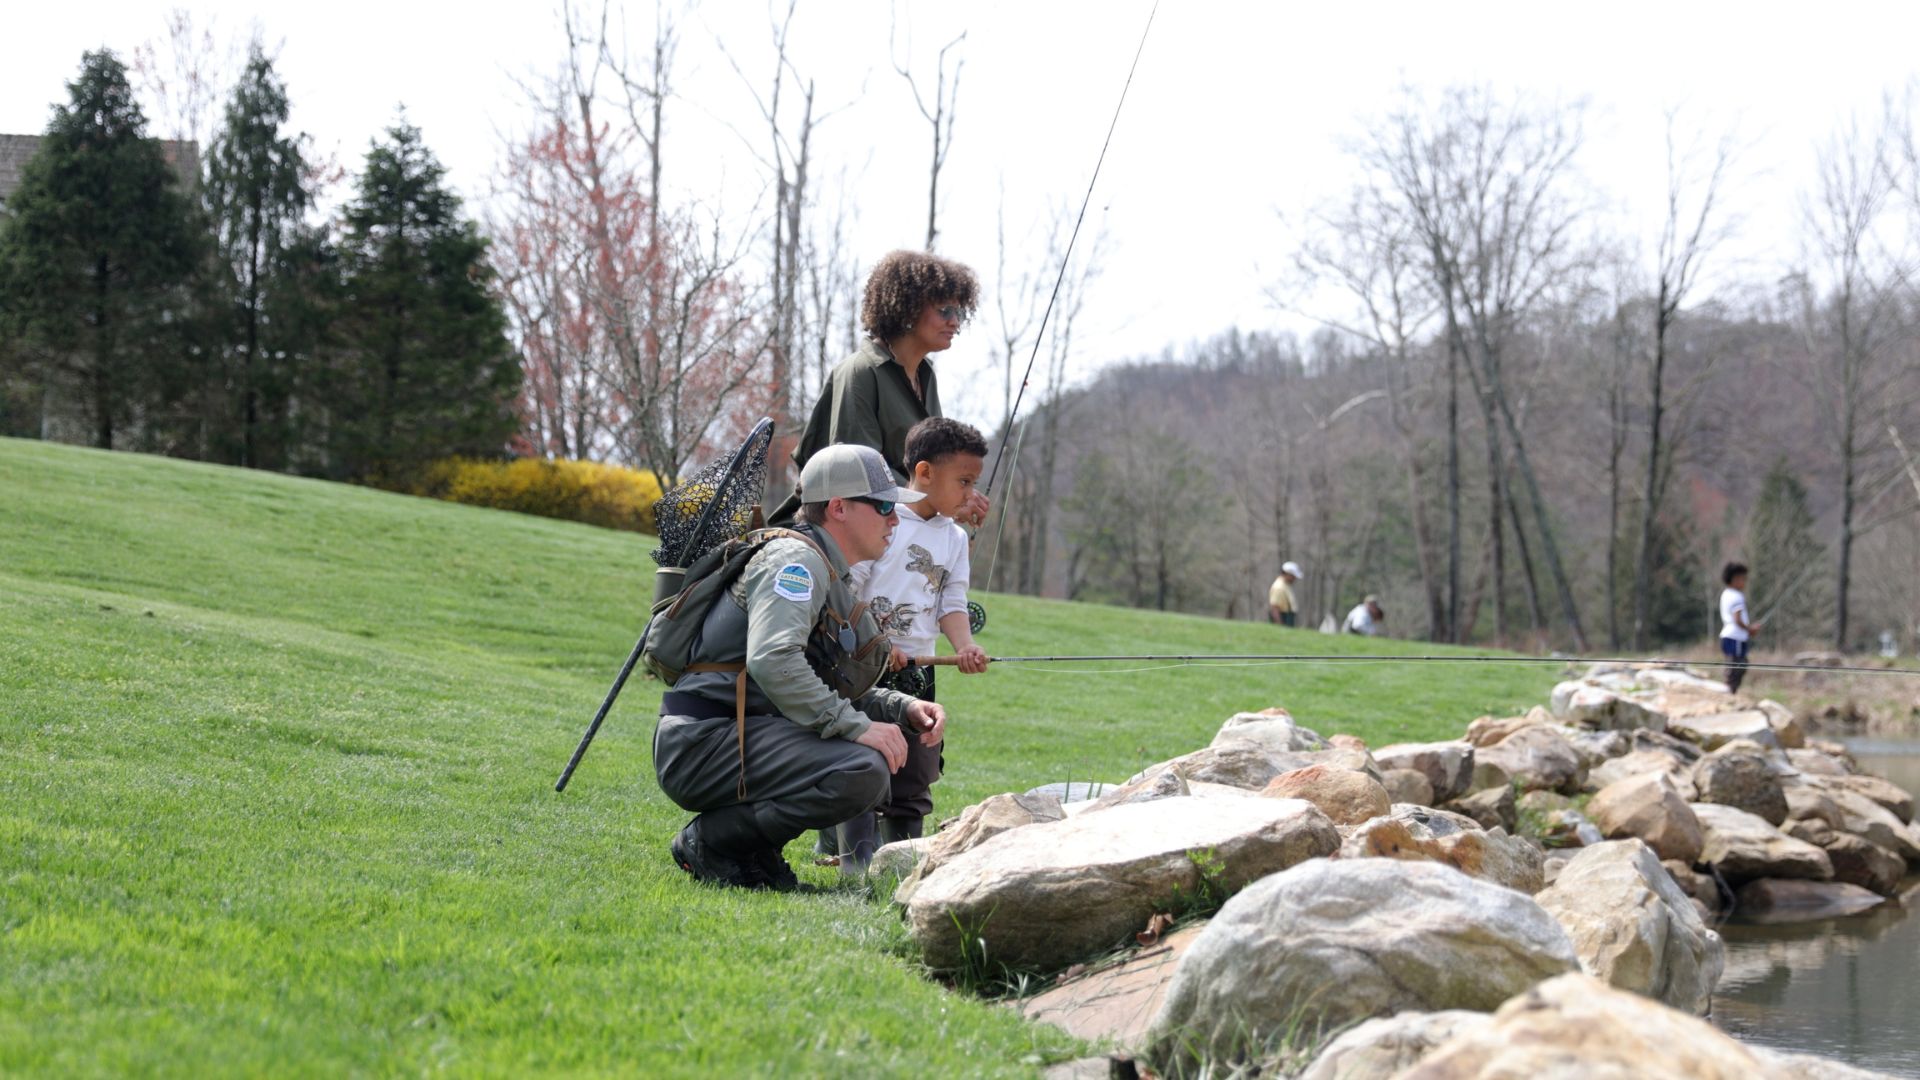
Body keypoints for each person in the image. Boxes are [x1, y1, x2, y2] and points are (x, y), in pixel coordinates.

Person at [653, 443, 948, 891]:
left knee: (866, 757)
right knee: (861, 767)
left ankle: (752, 853)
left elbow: (815, 681)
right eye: (885, 505)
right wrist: (854, 726)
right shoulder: (796, 563)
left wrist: (899, 707)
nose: (895, 519)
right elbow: (774, 660)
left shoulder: (824, 567)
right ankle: (713, 843)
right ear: (839, 508)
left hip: (734, 737)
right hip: (703, 743)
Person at [832, 418, 991, 872]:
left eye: (974, 482)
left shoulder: (954, 537)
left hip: (920, 674)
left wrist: (965, 645)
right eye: (963, 481)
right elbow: (849, 591)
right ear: (924, 472)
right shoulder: (881, 521)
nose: (969, 493)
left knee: (916, 772)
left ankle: (901, 863)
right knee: (864, 760)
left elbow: (952, 602)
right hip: (865, 668)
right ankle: (853, 864)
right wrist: (877, 643)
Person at [772, 250, 991, 529]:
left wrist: (957, 494)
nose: (954, 322)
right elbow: (859, 477)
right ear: (908, 308)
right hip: (837, 539)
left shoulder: (927, 377)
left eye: (958, 312)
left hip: (896, 532)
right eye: (944, 310)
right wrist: (940, 498)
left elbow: (931, 469)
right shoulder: (861, 372)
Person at [1719, 562, 1762, 693]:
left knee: (1736, 665)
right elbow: (1737, 619)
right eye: (1743, 579)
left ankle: (1731, 691)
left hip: (1729, 635)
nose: (1744, 582)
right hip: (1735, 637)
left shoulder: (1726, 594)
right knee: (1737, 666)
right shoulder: (1737, 596)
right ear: (1734, 579)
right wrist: (1750, 629)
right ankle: (1730, 692)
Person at [1267, 561, 1302, 626]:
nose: (1294, 579)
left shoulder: (1285, 585)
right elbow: (1275, 608)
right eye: (1293, 576)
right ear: (1287, 574)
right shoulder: (1279, 587)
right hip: (1283, 619)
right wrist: (1280, 626)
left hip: (1288, 618)